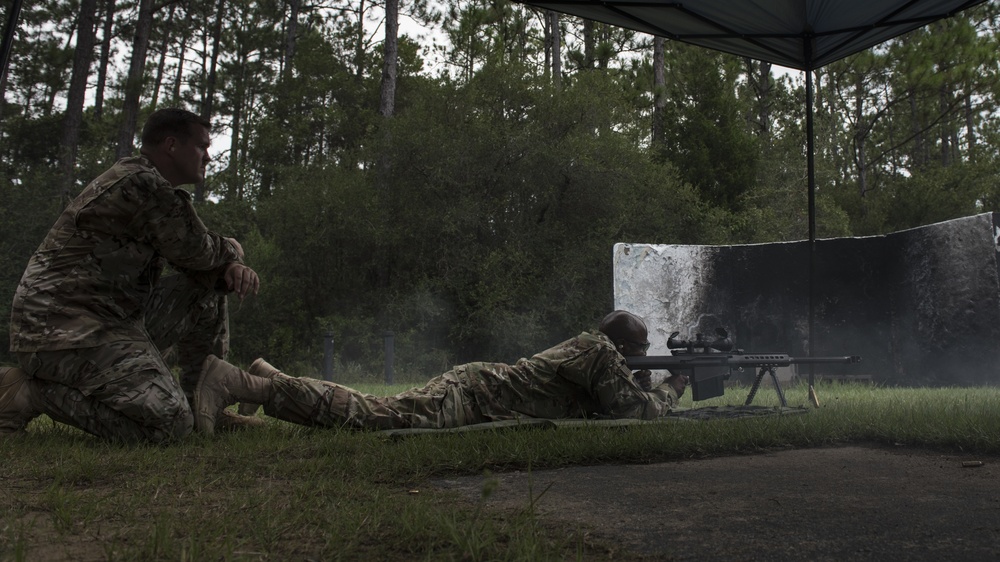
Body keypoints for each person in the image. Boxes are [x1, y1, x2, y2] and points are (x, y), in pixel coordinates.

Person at [0, 108, 260, 442]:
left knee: (206, 287)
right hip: (58, 329)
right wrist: (233, 254)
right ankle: (28, 392)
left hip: (107, 319)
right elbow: (201, 250)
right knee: (167, 425)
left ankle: (203, 402)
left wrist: (225, 269)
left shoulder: (146, 183)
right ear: (171, 145)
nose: (208, 157)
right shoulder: (143, 185)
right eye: (201, 147)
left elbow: (196, 261)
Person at [192, 310, 689, 434]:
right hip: (473, 396)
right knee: (374, 417)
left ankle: (264, 381)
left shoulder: (597, 351)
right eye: (639, 351)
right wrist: (677, 382)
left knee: (376, 411)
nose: (640, 357)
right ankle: (240, 382)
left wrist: (644, 376)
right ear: (623, 346)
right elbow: (639, 414)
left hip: (478, 390)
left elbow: (615, 402)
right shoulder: (601, 352)